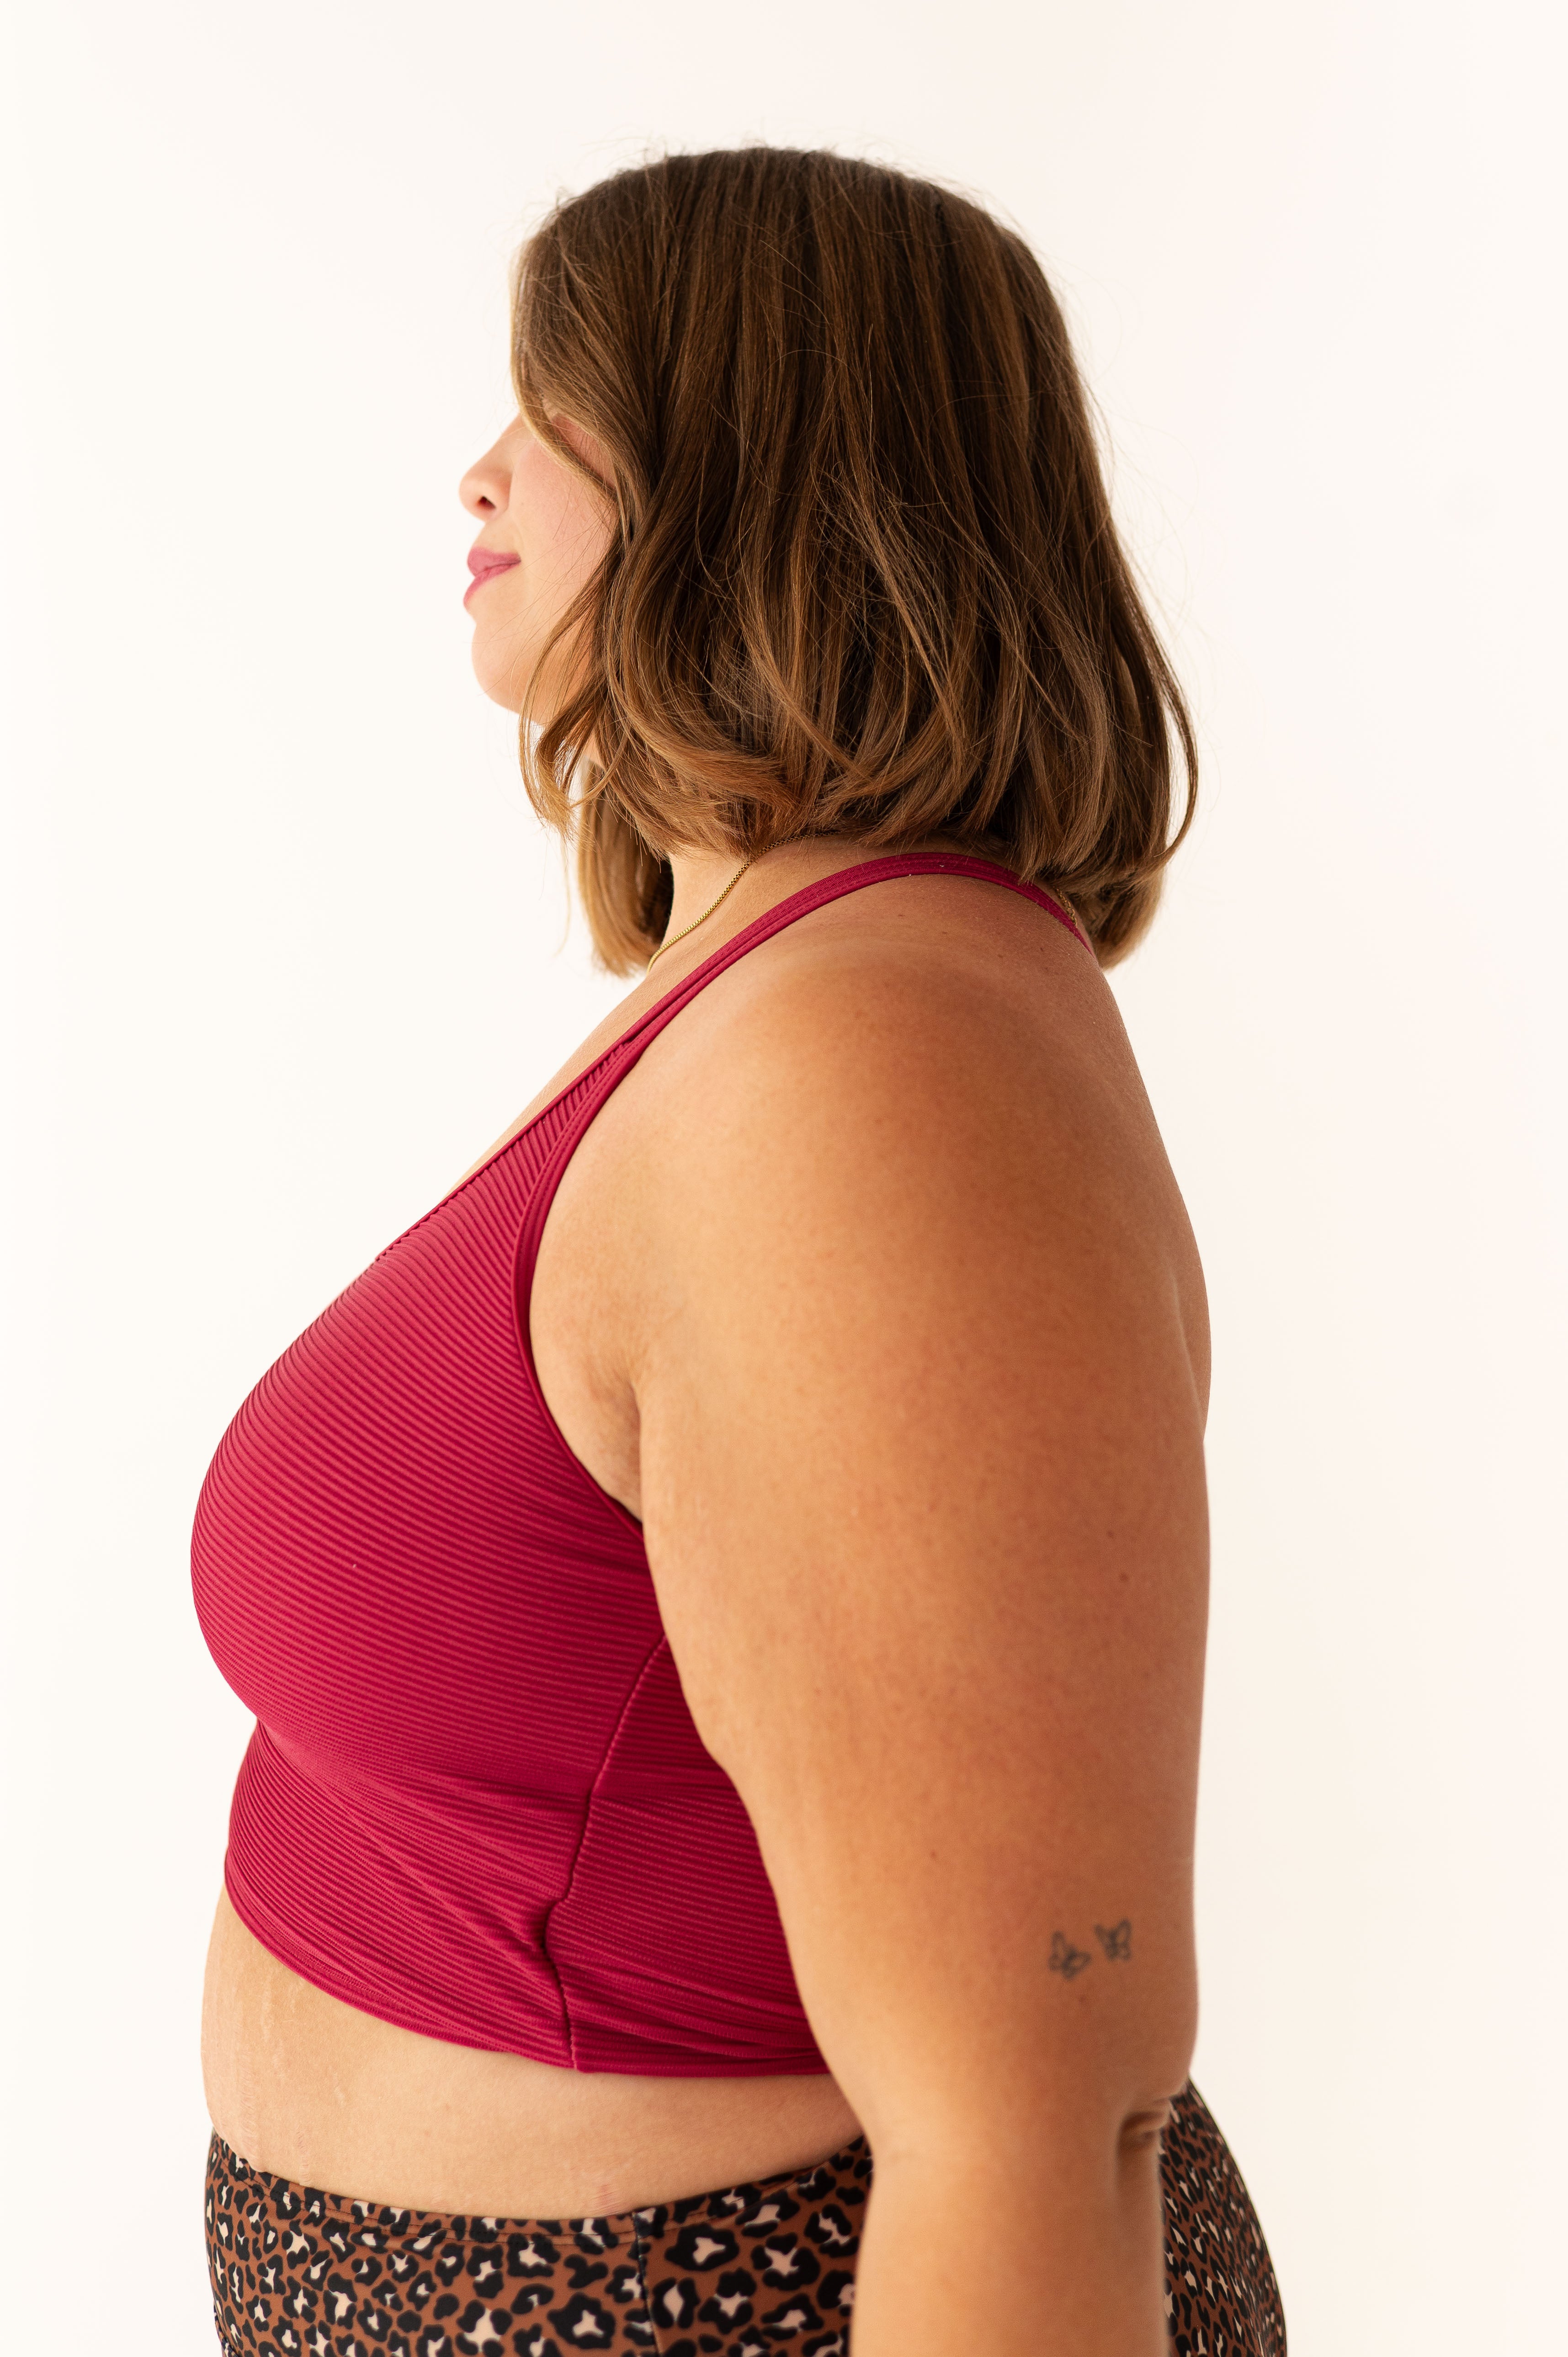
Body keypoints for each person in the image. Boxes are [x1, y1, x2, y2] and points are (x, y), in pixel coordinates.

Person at [194, 146, 1285, 2357]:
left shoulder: (871, 1071)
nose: (479, 471)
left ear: (754, 466)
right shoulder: (777, 999)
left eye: (555, 409)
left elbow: (1034, 2111)